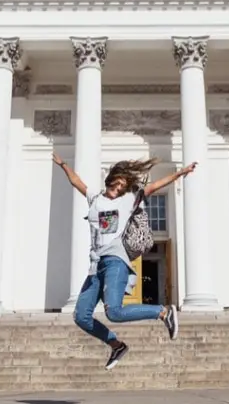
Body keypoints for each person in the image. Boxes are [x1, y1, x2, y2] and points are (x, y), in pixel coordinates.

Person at [52, 153, 197, 370]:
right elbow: (76, 182)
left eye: (122, 186)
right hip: (96, 265)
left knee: (114, 311)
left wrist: (181, 172)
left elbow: (154, 186)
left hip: (116, 261)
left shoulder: (128, 200)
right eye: (117, 184)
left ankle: (163, 312)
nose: (118, 188)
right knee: (81, 316)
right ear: (110, 180)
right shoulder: (95, 198)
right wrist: (63, 164)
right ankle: (116, 345)